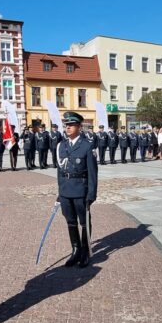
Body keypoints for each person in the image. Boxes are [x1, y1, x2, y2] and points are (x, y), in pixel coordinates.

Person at [56, 111, 98, 268]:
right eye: (66, 125)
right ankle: (75, 249)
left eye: (71, 124)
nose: (68, 127)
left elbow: (93, 172)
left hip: (81, 191)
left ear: (79, 127)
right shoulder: (61, 145)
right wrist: (60, 193)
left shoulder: (87, 146)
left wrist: (91, 194)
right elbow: (60, 171)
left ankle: (85, 251)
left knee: (84, 222)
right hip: (66, 191)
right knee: (70, 221)